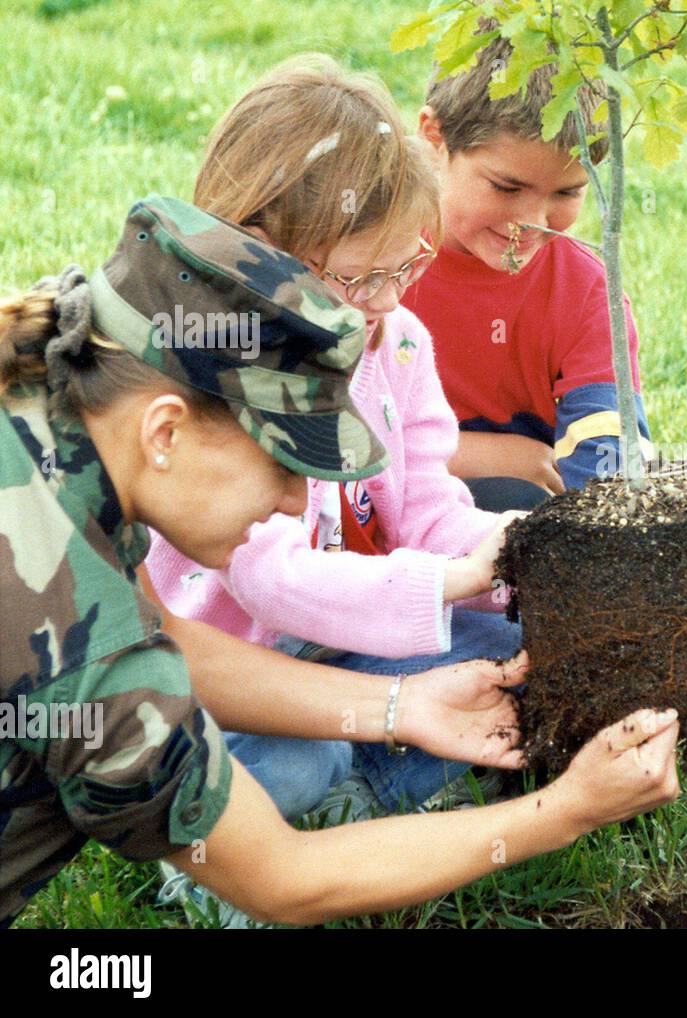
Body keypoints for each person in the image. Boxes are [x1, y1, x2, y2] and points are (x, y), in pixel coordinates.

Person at [0, 194, 680, 928]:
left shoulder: (57, 387)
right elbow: (284, 878)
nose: (300, 503)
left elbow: (170, 638)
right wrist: (565, 809)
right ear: (165, 433)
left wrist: (401, 707)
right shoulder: (86, 649)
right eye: (286, 465)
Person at [144, 56, 526, 823]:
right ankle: (246, 850)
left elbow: (427, 510)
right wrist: (451, 583)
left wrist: (515, 553)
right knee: (294, 764)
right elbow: (271, 580)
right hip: (236, 678)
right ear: (257, 252)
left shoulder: (398, 343)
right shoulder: (222, 369)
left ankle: (357, 805)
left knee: (517, 663)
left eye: (404, 266)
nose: (385, 301)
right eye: (355, 279)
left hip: (361, 640)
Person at [403, 34, 653, 497]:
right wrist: (467, 454)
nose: (533, 223)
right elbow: (310, 427)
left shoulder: (584, 290)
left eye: (566, 192)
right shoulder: (363, 262)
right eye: (506, 188)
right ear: (435, 137)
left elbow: (611, 455)